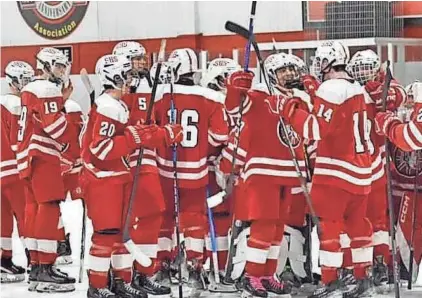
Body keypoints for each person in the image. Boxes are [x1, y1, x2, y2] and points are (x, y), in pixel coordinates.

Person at [266, 41, 374, 298]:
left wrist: (288, 108)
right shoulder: (357, 89)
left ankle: (330, 281)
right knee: (358, 225)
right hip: (362, 172)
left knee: (330, 228)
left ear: (327, 62)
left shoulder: (330, 87)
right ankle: (362, 278)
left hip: (336, 172)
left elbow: (314, 129)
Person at [81, 54, 182, 298]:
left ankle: (119, 281)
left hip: (116, 176)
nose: (130, 80)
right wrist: (135, 137)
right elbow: (101, 148)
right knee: (106, 234)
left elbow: (135, 136)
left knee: (120, 234)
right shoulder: (107, 106)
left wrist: (162, 134)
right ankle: (97, 286)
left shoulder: (118, 105)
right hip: (102, 179)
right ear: (112, 77)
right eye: (125, 76)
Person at [217, 53, 310, 298]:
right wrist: (235, 86)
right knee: (264, 225)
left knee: (278, 227)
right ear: (271, 75)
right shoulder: (259, 96)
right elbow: (234, 107)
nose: (290, 74)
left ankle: (269, 274)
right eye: (283, 71)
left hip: (289, 173)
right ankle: (252, 275)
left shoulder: (299, 99)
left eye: (292, 69)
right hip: (263, 173)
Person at [153, 48, 229, 295]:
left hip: (165, 169)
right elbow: (220, 135)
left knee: (165, 219)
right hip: (196, 170)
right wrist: (202, 150)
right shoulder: (211, 97)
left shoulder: (162, 95)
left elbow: (151, 128)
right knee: (194, 220)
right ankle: (195, 268)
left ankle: (162, 266)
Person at [115, 41, 172, 297]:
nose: (142, 63)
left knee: (152, 214)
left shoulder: (150, 86)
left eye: (142, 59)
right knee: (120, 222)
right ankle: (119, 275)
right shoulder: (115, 92)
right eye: (136, 59)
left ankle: (144, 272)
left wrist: (164, 132)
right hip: (122, 164)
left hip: (146, 161)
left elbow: (156, 123)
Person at [17, 47, 77, 292]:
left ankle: (37, 267)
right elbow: (56, 126)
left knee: (34, 208)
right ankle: (45, 267)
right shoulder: (46, 89)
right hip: (43, 155)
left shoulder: (30, 88)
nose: (62, 71)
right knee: (50, 208)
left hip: (28, 156)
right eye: (60, 66)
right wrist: (73, 147)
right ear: (47, 65)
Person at [201, 57, 241, 291]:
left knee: (229, 219)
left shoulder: (233, 103)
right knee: (217, 219)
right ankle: (214, 265)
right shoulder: (212, 101)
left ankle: (228, 266)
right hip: (212, 168)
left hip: (231, 167)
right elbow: (215, 137)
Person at [1, 61, 34, 283]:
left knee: (2, 218)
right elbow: (19, 139)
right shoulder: (16, 105)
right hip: (13, 168)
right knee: (26, 214)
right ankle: (36, 259)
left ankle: (4, 261)